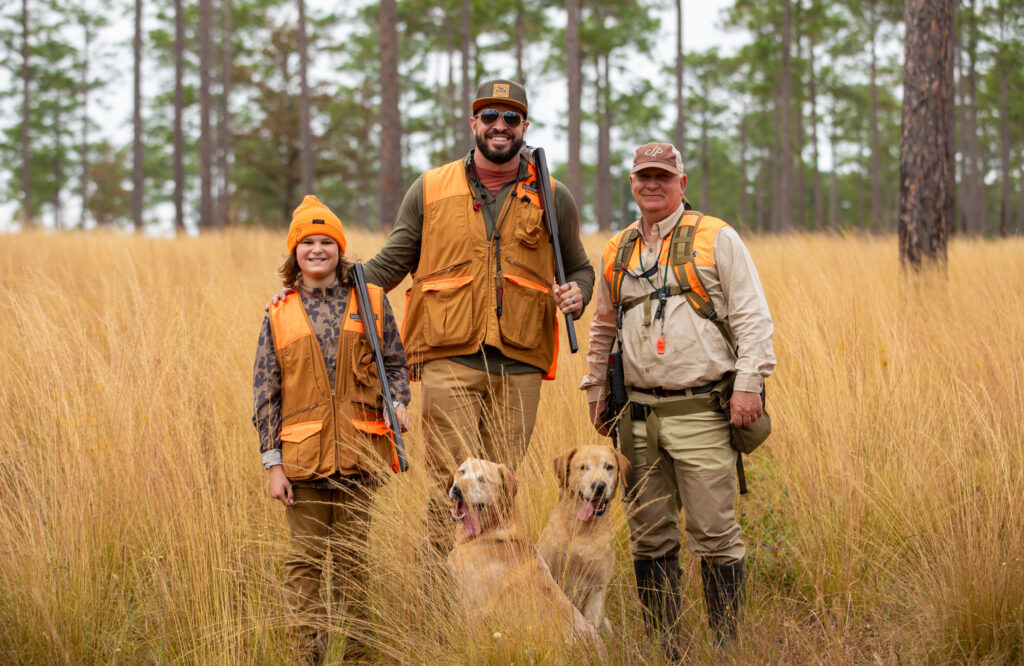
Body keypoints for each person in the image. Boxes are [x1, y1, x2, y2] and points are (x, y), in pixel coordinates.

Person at [361, 79, 595, 552]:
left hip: (521, 361)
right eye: (489, 116)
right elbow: (389, 265)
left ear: (525, 126)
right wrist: (324, 281)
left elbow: (581, 268)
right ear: (473, 123)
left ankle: (490, 595)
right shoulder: (429, 188)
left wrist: (579, 293)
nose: (500, 126)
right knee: (450, 483)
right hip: (451, 357)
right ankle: (439, 599)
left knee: (500, 486)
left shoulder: (553, 194)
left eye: (511, 118)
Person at [580, 142, 775, 647]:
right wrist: (595, 392)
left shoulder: (716, 238)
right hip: (637, 418)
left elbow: (753, 319)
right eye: (643, 176)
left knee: (714, 535)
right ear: (631, 183)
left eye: (663, 176)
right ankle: (667, 649)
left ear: (681, 184)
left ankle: (726, 649)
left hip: (704, 411)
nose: (652, 184)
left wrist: (749, 384)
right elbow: (603, 325)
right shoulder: (617, 248)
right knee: (649, 536)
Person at [252, 195, 411, 664]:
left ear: (341, 249)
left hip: (361, 457)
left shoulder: (373, 300)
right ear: (294, 252)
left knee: (352, 564)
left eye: (327, 241)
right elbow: (266, 394)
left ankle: (358, 657)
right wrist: (272, 464)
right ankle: (307, 656)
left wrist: (398, 402)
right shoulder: (279, 311)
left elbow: (397, 364)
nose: (318, 250)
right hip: (302, 465)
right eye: (308, 242)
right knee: (303, 565)